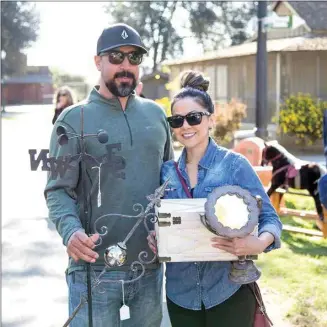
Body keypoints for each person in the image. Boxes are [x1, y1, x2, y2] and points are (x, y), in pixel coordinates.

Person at [44, 23, 173, 327]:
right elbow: (57, 189)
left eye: (134, 58)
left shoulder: (156, 116)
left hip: (149, 267)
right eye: (116, 57)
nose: (125, 66)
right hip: (93, 270)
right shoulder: (72, 120)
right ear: (98, 61)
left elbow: (169, 183)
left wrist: (169, 231)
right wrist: (71, 231)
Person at [148, 70, 282, 327]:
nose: (185, 126)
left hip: (229, 291)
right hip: (180, 296)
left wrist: (258, 243)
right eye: (177, 121)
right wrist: (156, 236)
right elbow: (158, 222)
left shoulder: (234, 166)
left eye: (194, 117)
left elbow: (270, 218)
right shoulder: (166, 173)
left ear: (210, 119)